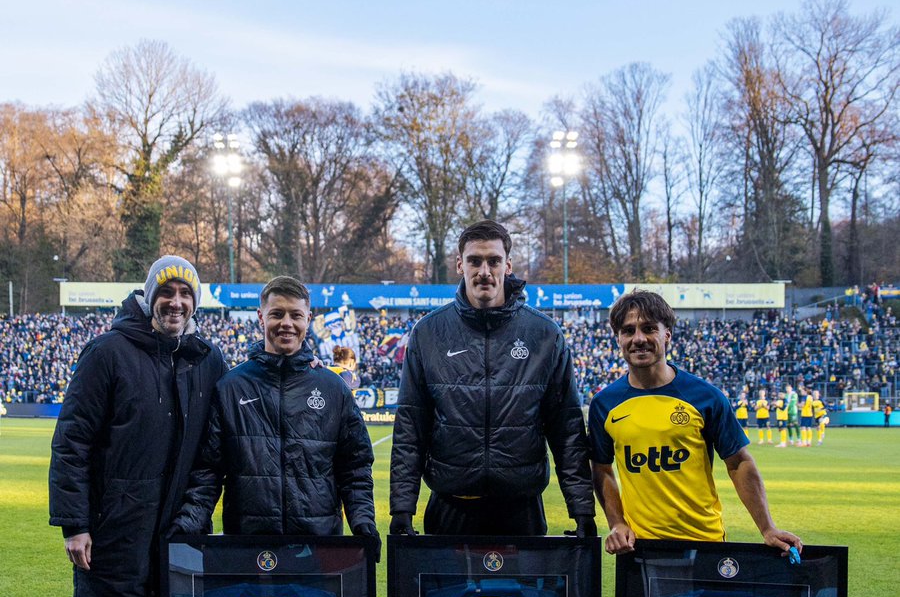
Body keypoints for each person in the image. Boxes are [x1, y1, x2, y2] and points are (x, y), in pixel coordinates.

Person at [49, 255, 228, 597]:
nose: (176, 303)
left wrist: (194, 521)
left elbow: (212, 455)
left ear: (196, 303)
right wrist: (75, 522)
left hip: (175, 531)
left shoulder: (207, 360)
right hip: (114, 530)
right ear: (149, 297)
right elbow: (73, 440)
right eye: (166, 293)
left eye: (185, 295)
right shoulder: (107, 352)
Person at [389, 220, 595, 537]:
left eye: (494, 261)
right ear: (460, 264)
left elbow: (566, 427)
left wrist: (582, 510)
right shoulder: (429, 333)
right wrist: (402, 508)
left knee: (519, 590)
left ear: (508, 265)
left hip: (521, 511)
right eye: (475, 260)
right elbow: (410, 425)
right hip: (450, 510)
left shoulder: (544, 334)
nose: (484, 271)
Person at [172, 276, 378, 553]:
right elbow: (208, 471)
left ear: (308, 318)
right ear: (260, 317)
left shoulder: (333, 389)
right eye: (277, 314)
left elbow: (355, 467)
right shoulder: (231, 387)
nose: (287, 324)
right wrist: (189, 523)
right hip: (248, 547)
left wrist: (363, 521)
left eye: (296, 315)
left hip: (317, 548)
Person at [588, 289, 802, 556]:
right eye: (628, 331)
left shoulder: (705, 397)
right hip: (640, 548)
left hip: (704, 542)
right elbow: (602, 469)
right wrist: (617, 523)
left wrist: (767, 528)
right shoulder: (604, 404)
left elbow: (739, 463)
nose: (639, 339)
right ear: (618, 338)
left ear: (667, 334)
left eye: (649, 328)